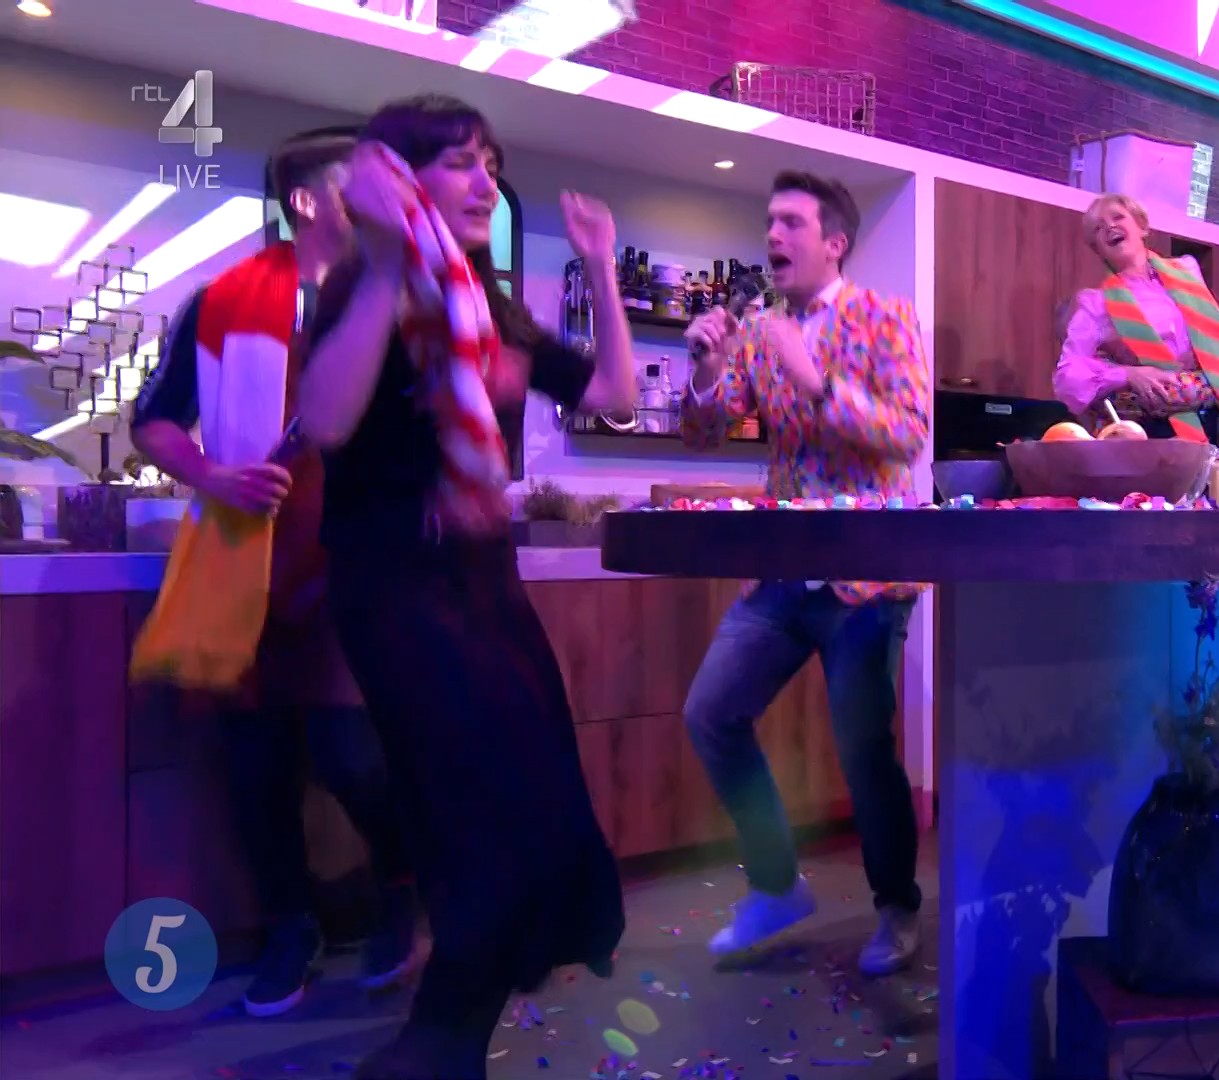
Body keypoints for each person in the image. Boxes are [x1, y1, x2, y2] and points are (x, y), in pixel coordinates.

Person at [299, 95, 634, 1080]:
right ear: (401, 181)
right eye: (457, 162)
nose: (486, 180)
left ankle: (447, 1037)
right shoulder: (372, 285)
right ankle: (439, 1041)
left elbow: (613, 394)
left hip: (484, 585)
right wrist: (389, 261)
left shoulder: (491, 312)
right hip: (397, 589)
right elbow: (326, 421)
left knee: (536, 802)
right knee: (479, 810)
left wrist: (602, 268)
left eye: (491, 162)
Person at [129, 129, 418, 1018]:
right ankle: (292, 927)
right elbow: (155, 419)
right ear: (306, 199)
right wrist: (212, 473)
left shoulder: (395, 299)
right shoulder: (221, 299)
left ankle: (402, 887)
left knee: (351, 754)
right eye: (357, 183)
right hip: (246, 563)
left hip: (356, 565)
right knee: (254, 765)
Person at [679, 171, 930, 977]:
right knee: (711, 713)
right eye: (769, 222)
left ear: (835, 242)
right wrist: (708, 369)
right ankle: (776, 885)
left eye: (791, 222)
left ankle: (896, 907)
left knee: (864, 751)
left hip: (867, 575)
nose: (773, 236)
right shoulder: (760, 331)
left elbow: (908, 433)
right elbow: (704, 435)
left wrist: (817, 381)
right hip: (784, 571)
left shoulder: (885, 317)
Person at [1054, 192, 1219, 487]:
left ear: (1142, 227)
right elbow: (1067, 378)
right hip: (1165, 431)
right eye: (1098, 228)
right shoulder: (1096, 304)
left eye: (1118, 217)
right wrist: (1129, 374)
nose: (1109, 227)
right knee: (1183, 510)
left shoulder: (1187, 271)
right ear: (1097, 249)